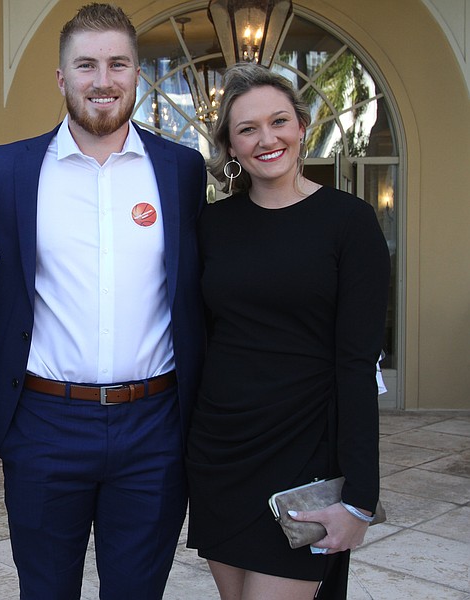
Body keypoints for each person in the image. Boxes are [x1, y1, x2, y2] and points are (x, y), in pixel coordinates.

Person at [0, 4, 206, 599]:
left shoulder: (181, 170)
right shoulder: (7, 170)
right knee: (45, 590)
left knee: (137, 592)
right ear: (61, 78)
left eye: (117, 64)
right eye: (86, 65)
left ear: (136, 74)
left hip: (154, 426)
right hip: (45, 422)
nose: (102, 80)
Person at [185, 62, 390, 600]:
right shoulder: (212, 226)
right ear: (230, 146)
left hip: (305, 452)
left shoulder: (351, 222)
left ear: (301, 126)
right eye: (247, 129)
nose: (266, 139)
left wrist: (360, 499)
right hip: (221, 454)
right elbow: (203, 339)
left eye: (278, 121)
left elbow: (357, 364)